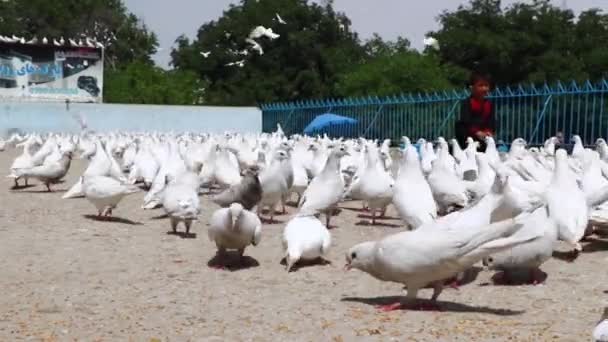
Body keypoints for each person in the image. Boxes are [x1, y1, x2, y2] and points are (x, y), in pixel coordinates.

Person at [455, 73, 496, 152]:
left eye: (486, 86)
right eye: (480, 86)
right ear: (472, 88)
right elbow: (466, 120)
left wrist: (489, 132)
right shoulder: (467, 103)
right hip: (469, 136)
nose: (484, 88)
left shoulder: (489, 104)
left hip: (484, 136)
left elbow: (492, 120)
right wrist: (477, 132)